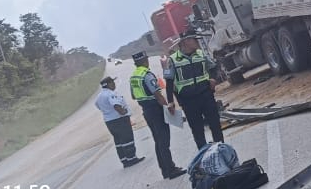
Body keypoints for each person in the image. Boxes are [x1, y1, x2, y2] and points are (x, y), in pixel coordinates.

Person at [129, 51, 186, 180]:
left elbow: (133, 96)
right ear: (145, 61)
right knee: (164, 141)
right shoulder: (147, 75)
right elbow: (158, 95)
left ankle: (165, 170)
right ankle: (171, 169)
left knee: (158, 141)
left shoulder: (133, 76)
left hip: (146, 111)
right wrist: (168, 107)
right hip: (155, 109)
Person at [165, 33, 224, 149]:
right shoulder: (172, 60)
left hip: (206, 95)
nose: (197, 42)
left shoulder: (201, 54)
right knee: (197, 130)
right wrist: (170, 101)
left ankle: (221, 150)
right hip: (188, 100)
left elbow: (213, 67)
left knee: (215, 124)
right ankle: (204, 156)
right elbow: (169, 82)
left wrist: (213, 78)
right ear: (185, 42)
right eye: (193, 40)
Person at [95, 76, 145, 168]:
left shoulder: (99, 96)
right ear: (109, 84)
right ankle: (132, 158)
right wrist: (123, 112)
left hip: (109, 122)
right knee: (127, 139)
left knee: (118, 141)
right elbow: (116, 105)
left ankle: (124, 160)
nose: (114, 84)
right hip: (119, 120)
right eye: (112, 82)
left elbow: (98, 106)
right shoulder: (111, 94)